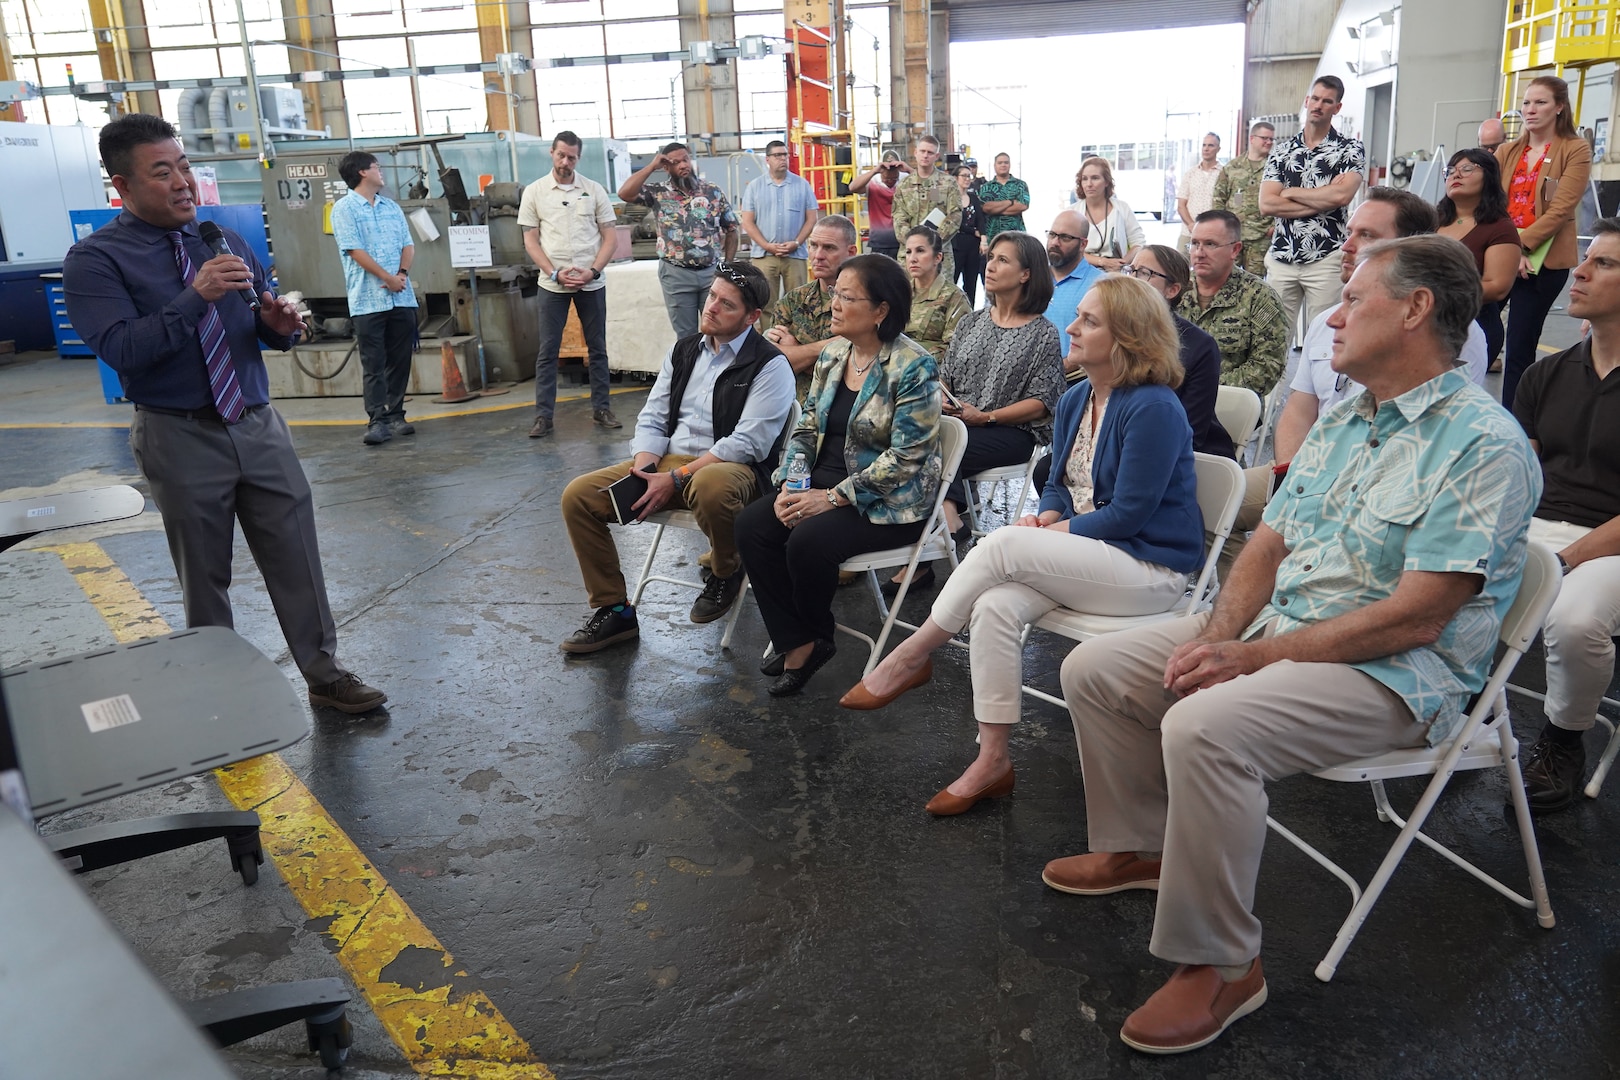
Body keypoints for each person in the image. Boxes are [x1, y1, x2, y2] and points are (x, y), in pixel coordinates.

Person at [1047, 235, 1539, 1055]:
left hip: (1396, 675)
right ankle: (1144, 849)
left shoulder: (1482, 443)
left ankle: (1224, 963)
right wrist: (1213, 635)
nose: (1333, 319)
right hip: (1289, 637)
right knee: (1097, 667)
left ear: (1415, 310)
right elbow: (1270, 545)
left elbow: (1418, 618)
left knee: (1204, 726)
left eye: (1353, 300)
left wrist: (1250, 658)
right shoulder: (1349, 420)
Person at [839, 276, 1205, 819]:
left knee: (1005, 544)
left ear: (1128, 338)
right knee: (995, 603)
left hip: (1148, 568)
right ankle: (992, 761)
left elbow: (1131, 514)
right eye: (1077, 315)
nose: (1072, 328)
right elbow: (1057, 481)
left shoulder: (1152, 406)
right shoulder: (1080, 395)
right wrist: (1050, 514)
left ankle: (913, 654)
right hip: (1090, 560)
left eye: (1089, 321)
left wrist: (1041, 534)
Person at [63, 113, 385, 714]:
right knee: (205, 577)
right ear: (123, 187)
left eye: (183, 166)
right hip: (178, 433)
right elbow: (122, 349)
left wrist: (279, 327)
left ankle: (325, 674)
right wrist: (196, 295)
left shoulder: (223, 240)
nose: (182, 181)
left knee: (298, 558)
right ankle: (222, 693)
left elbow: (253, 323)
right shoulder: (95, 262)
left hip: (257, 423)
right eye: (162, 173)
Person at [557, 261, 795, 654]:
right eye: (712, 296)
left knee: (709, 484)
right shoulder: (684, 350)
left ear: (752, 317)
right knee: (578, 496)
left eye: (726, 304)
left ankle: (727, 569)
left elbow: (747, 444)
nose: (711, 307)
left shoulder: (769, 365)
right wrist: (646, 468)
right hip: (668, 466)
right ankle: (613, 609)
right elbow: (652, 417)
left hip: (731, 472)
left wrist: (677, 477)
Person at [734, 255, 942, 698]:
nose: (835, 304)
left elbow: (907, 456)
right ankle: (800, 639)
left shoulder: (913, 366)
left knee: (808, 540)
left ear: (881, 310)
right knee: (752, 525)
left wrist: (832, 498)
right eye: (836, 294)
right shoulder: (833, 353)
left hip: (887, 498)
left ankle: (809, 638)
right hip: (823, 482)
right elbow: (806, 427)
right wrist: (792, 482)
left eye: (848, 297)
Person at [884, 230, 1064, 595]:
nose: (991, 265)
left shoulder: (1043, 333)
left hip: (1009, 431)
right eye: (991, 256)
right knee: (910, 437)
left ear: (1026, 273)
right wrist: (946, 401)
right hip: (954, 422)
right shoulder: (972, 322)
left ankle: (936, 535)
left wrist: (985, 416)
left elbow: (1044, 402)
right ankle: (944, 525)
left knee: (930, 447)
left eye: (1003, 259)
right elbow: (944, 376)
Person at [1510, 217, 1620, 813]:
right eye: (1586, 259)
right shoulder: (1545, 374)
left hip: (1613, 546)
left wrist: (1568, 558)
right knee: (1440, 571)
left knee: (1575, 619)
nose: (1579, 270)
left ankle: (1563, 741)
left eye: (1604, 263)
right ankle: (1460, 712)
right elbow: (1519, 478)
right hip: (1543, 527)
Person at [1495, 74, 1593, 409]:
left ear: (1560, 107)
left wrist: (1522, 247)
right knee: (1477, 334)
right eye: (1526, 102)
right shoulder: (1506, 152)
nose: (1530, 110)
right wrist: (1509, 248)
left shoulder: (1574, 150)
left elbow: (1562, 207)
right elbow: (1491, 205)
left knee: (1520, 346)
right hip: (1501, 256)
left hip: (1543, 262)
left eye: (1540, 102)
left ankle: (1515, 424)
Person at [517, 130, 620, 440]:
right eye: (561, 155)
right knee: (548, 351)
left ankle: (602, 408)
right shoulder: (535, 192)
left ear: (579, 157)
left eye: (571, 157)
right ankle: (543, 416)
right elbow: (531, 240)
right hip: (553, 284)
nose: (565, 162)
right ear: (552, 152)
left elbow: (610, 237)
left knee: (597, 348)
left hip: (590, 282)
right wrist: (553, 273)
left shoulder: (594, 190)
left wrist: (593, 271)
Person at [1260, 76, 1366, 347]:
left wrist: (1291, 191)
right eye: (1315, 98)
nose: (1319, 105)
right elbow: (1267, 204)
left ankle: (1320, 392)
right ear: (1307, 101)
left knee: (1324, 341)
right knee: (1273, 342)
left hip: (1326, 257)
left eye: (1327, 101)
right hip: (1283, 256)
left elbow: (1342, 196)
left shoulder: (1349, 150)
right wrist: (1323, 197)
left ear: (1337, 108)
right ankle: (1269, 393)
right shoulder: (1282, 152)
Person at [331, 150, 418, 447]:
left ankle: (396, 414)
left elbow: (408, 244)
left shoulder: (391, 207)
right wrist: (387, 278)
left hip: (401, 298)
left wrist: (402, 274)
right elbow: (354, 251)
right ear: (362, 172)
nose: (381, 172)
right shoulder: (344, 209)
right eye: (376, 167)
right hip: (367, 300)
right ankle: (376, 421)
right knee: (374, 363)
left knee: (400, 360)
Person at [1121, 245, 1234, 459]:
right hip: (1125, 442)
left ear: (1172, 290)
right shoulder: (1114, 330)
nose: (1132, 279)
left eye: (1145, 273)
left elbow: (1191, 432)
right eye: (1131, 270)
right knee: (1049, 468)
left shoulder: (1200, 346)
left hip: (1181, 454)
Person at [618, 141, 739, 341]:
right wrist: (651, 166)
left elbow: (732, 229)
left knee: (719, 330)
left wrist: (727, 266)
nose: (683, 165)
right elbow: (625, 193)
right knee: (686, 337)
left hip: (711, 273)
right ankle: (690, 372)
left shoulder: (712, 191)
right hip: (676, 275)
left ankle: (719, 372)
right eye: (676, 162)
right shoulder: (657, 193)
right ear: (666, 167)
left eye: (685, 159)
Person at [1175, 210, 1288, 397]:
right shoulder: (1176, 290)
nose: (1199, 253)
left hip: (1230, 405)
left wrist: (1201, 389)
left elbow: (1267, 367)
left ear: (1235, 249)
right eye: (1195, 243)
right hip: (1173, 398)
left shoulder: (1259, 297)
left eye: (1210, 244)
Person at [1436, 148, 1519, 372]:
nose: (1456, 175)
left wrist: (1439, 293)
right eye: (1451, 170)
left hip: (1473, 325)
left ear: (1489, 177)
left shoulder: (1500, 228)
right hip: (1429, 322)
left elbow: (1497, 287)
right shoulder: (1433, 219)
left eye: (1467, 169)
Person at [764, 214, 860, 398]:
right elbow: (773, 365)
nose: (818, 255)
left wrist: (795, 350)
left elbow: (856, 369)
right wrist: (832, 346)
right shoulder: (793, 301)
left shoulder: (864, 302)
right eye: (813, 245)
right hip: (798, 410)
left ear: (851, 251)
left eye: (829, 248)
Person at [739, 139, 819, 304]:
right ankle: (769, 331)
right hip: (764, 255)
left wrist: (796, 243)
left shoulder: (802, 185)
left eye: (785, 155)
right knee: (765, 302)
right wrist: (767, 245)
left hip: (795, 254)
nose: (783, 159)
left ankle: (797, 331)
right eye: (777, 155)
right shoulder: (754, 187)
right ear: (767, 159)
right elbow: (747, 222)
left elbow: (812, 219)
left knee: (799, 302)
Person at [1212, 122, 1277, 275]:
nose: (1268, 142)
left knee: (1256, 282)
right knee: (1227, 277)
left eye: (1271, 139)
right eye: (1264, 138)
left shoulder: (1275, 167)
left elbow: (1283, 198)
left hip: (1260, 236)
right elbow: (1218, 198)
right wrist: (1219, 226)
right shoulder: (1232, 167)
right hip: (1233, 234)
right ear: (1252, 138)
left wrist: (1275, 225)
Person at [892, 134, 961, 280]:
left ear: (936, 156)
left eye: (930, 153)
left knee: (942, 299)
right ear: (915, 152)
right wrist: (915, 243)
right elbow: (899, 219)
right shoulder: (904, 186)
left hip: (939, 256)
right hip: (910, 258)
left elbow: (955, 215)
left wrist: (932, 243)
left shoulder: (948, 183)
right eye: (922, 151)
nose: (925, 156)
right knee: (909, 299)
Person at [901, 225, 971, 360]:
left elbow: (957, 349)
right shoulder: (899, 293)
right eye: (908, 252)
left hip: (930, 373)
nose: (912, 258)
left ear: (938, 257)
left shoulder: (954, 297)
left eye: (920, 251)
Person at [1043, 210, 1103, 362]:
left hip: (1074, 378)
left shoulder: (1100, 285)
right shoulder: (1032, 278)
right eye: (1052, 234)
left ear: (1083, 244)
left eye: (1065, 237)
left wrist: (1059, 370)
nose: (1055, 242)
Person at [1076, 156, 1144, 272]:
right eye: (1084, 179)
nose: (1089, 184)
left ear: (1107, 181)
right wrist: (1102, 262)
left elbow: (1138, 243)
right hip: (1082, 271)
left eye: (1095, 178)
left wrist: (1122, 264)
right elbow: (1070, 250)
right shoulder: (1074, 212)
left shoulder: (1122, 208)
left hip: (1116, 272)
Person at [848, 150, 907, 260]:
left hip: (903, 240)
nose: (890, 181)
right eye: (887, 179)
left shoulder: (906, 180)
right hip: (880, 242)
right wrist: (874, 171)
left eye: (894, 179)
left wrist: (908, 169)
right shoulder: (872, 182)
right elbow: (852, 187)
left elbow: (927, 185)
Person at [1175, 133, 1223, 253]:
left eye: (1211, 145)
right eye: (1204, 145)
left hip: (1213, 234)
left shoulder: (1224, 174)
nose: (1206, 149)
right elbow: (1181, 205)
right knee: (1179, 267)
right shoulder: (1190, 174)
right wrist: (1191, 225)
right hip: (1188, 232)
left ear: (1218, 149)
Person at [952, 164, 987, 305]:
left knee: (971, 283)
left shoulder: (973, 197)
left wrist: (983, 238)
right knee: (953, 280)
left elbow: (980, 219)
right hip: (956, 244)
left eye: (969, 176)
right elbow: (953, 222)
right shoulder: (951, 198)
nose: (967, 179)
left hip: (973, 245)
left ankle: (969, 313)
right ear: (956, 178)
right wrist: (973, 231)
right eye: (964, 176)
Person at [978, 152, 1030, 241]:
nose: (1003, 165)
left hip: (1017, 235)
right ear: (995, 165)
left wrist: (995, 209)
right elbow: (986, 208)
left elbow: (1023, 205)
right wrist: (1010, 202)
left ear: (1010, 165)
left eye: (1006, 162)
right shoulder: (986, 187)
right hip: (993, 235)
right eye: (1000, 163)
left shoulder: (1020, 185)